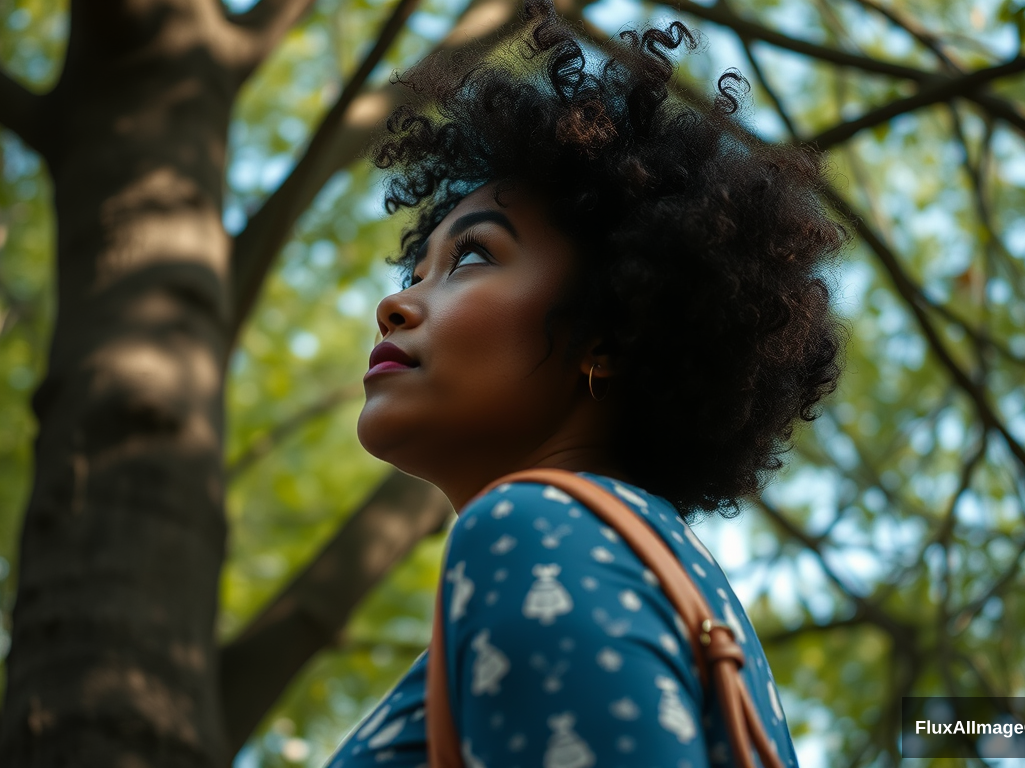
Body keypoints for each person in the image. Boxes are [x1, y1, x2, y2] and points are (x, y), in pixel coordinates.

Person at [328, 2, 845, 766]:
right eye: (415, 271)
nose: (395, 304)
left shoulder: (531, 527)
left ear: (605, 337)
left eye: (471, 258)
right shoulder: (669, 583)